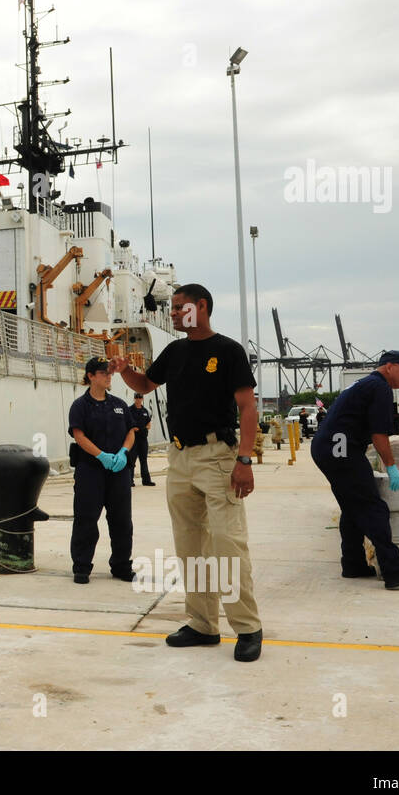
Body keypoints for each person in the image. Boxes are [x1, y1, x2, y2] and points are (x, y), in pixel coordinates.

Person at [112, 282, 264, 662]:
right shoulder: (175, 351)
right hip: (179, 460)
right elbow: (146, 384)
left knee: (228, 544)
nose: (175, 313)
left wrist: (244, 460)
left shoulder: (228, 352)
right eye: (174, 309)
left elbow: (247, 408)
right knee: (189, 545)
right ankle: (202, 624)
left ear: (202, 306)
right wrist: (126, 372)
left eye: (180, 308)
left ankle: (247, 628)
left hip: (218, 457)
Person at [310, 351, 399, 589]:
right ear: (388, 367)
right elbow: (379, 434)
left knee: (353, 507)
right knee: (372, 506)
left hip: (330, 448)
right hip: (340, 450)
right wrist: (391, 466)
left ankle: (353, 564)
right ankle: (394, 570)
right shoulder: (379, 388)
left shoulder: (368, 384)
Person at [68, 358, 135, 583]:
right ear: (90, 376)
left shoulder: (119, 404)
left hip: (118, 470)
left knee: (121, 520)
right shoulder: (80, 406)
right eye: (104, 373)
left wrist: (123, 452)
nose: (109, 376)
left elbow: (131, 432)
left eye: (110, 373)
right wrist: (101, 456)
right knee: (86, 519)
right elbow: (79, 436)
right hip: (90, 470)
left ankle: (121, 565)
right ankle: (82, 566)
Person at [127, 391, 154, 486]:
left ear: (142, 399)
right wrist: (135, 429)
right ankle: (130, 481)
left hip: (143, 439)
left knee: (144, 460)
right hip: (133, 439)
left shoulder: (145, 411)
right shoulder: (129, 410)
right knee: (131, 460)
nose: (138, 399)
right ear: (134, 398)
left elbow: (149, 424)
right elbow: (127, 423)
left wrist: (143, 429)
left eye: (140, 397)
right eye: (136, 397)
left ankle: (146, 480)